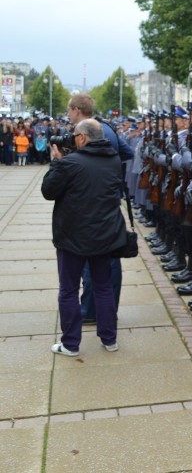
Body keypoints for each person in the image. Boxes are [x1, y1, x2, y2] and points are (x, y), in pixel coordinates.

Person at [42, 119, 126, 355]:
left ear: (82, 138)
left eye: (74, 134)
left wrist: (56, 162)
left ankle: (70, 344)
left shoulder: (70, 163)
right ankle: (109, 339)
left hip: (73, 238)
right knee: (103, 288)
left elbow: (48, 191)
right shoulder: (113, 160)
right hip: (104, 235)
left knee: (68, 290)